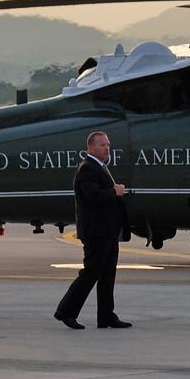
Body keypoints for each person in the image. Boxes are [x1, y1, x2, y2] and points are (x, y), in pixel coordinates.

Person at [54, 131, 132, 329]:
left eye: (108, 144)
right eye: (102, 145)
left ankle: (106, 316)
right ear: (90, 148)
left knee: (107, 275)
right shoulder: (88, 168)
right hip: (96, 232)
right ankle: (66, 312)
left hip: (107, 231)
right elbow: (93, 196)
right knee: (91, 273)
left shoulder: (100, 168)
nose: (107, 148)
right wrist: (115, 192)